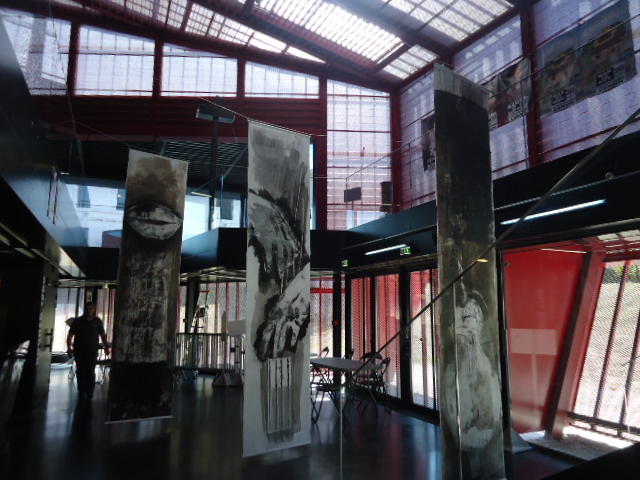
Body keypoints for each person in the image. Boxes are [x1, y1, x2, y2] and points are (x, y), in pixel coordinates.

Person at [66, 302, 110, 401]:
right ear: (85, 309)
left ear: (94, 310)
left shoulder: (97, 321)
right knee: (80, 371)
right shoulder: (77, 321)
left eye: (91, 309)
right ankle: (81, 390)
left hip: (92, 351)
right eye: (87, 308)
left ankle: (90, 392)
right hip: (79, 351)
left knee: (90, 371)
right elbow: (70, 335)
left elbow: (103, 335)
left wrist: (106, 347)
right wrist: (69, 347)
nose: (89, 311)